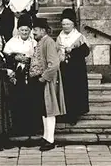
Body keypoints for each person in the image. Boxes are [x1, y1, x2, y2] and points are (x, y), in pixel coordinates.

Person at [32, 18, 67, 151]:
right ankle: (46, 136)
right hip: (42, 80)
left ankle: (50, 140)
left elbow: (54, 64)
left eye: (35, 30)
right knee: (44, 110)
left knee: (49, 110)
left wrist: (43, 78)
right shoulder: (42, 41)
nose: (33, 33)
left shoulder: (49, 42)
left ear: (42, 30)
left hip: (48, 82)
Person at [3, 15, 41, 138]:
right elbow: (5, 57)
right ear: (18, 30)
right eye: (22, 30)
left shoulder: (34, 42)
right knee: (17, 100)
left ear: (30, 30)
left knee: (30, 101)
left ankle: (31, 128)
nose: (24, 32)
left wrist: (29, 60)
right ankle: (17, 127)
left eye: (26, 30)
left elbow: (39, 58)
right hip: (17, 76)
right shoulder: (12, 42)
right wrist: (15, 57)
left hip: (30, 75)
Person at [57, 8, 90, 125]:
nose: (65, 26)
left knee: (75, 91)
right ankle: (65, 113)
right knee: (65, 91)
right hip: (64, 68)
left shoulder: (79, 37)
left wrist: (72, 51)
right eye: (63, 24)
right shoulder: (59, 37)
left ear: (73, 24)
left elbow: (86, 52)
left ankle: (74, 114)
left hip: (76, 68)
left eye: (68, 24)